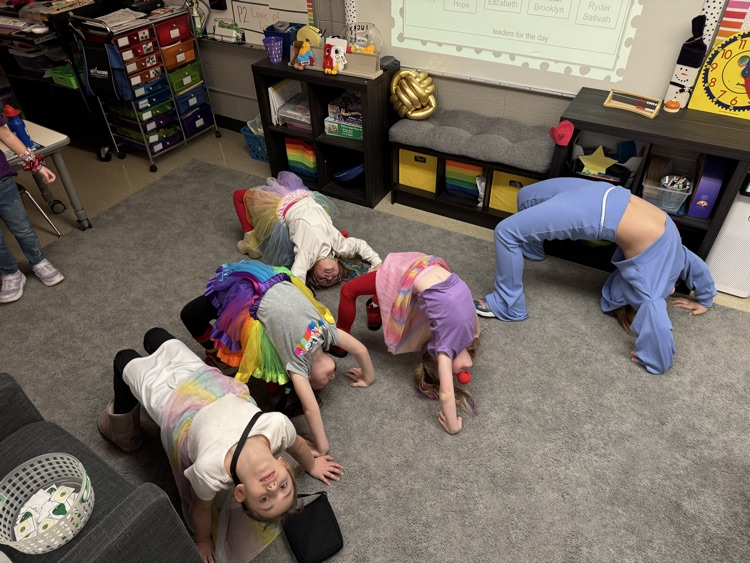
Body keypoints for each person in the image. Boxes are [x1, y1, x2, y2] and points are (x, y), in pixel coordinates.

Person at [98, 326, 344, 563]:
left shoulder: (210, 470)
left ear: (241, 493)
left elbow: (201, 509)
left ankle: (123, 431)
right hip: (206, 383)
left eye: (264, 499)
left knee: (124, 359)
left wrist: (202, 540)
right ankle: (151, 349)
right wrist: (312, 465)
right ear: (284, 465)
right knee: (155, 336)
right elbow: (298, 445)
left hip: (170, 402)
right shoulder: (277, 426)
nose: (272, 487)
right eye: (283, 486)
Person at [474, 177, 716, 375]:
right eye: (671, 290)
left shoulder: (652, 283)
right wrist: (705, 299)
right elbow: (694, 267)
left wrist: (656, 361)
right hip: (606, 192)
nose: (671, 291)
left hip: (598, 209)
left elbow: (660, 319)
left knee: (506, 231)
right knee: (526, 196)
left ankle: (508, 304)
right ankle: (530, 247)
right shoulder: (670, 265)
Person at [180, 259, 376, 456]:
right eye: (331, 376)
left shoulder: (303, 358)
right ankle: (219, 355)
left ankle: (218, 355)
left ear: (307, 378)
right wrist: (367, 377)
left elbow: (311, 407)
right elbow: (360, 351)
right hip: (264, 281)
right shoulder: (322, 337)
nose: (332, 377)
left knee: (191, 315)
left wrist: (321, 446)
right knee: (193, 315)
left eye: (319, 383)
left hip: (257, 287)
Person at [335, 252, 479, 435]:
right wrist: (453, 427)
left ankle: (371, 309)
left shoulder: (465, 334)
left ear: (436, 358)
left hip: (422, 265)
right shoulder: (462, 339)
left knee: (349, 290)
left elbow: (446, 391)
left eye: (450, 374)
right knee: (348, 291)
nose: (460, 373)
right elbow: (446, 393)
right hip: (413, 268)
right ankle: (344, 335)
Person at [233, 170, 382, 287]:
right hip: (306, 198)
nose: (329, 277)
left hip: (284, 206)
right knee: (286, 179)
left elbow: (297, 280)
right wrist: (377, 262)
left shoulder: (306, 256)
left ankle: (249, 239)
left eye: (322, 280)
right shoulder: (340, 247)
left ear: (312, 271)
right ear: (337, 263)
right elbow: (360, 245)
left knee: (239, 196)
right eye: (335, 278)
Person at [0, 116, 63, 303]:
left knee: (22, 227)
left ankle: (38, 261)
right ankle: (10, 273)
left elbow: (7, 135)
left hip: (2, 184)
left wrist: (36, 165)